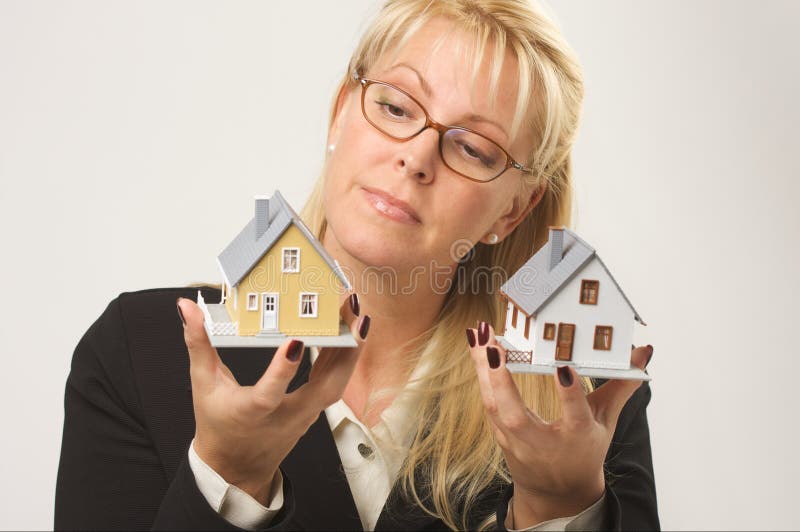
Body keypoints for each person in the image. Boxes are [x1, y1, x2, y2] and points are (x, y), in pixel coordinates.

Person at [55, 0, 659, 530]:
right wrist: (226, 479)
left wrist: (560, 508)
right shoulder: (137, 351)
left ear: (513, 210)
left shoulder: (583, 410)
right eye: (396, 107)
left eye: (474, 148)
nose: (417, 157)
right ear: (341, 113)